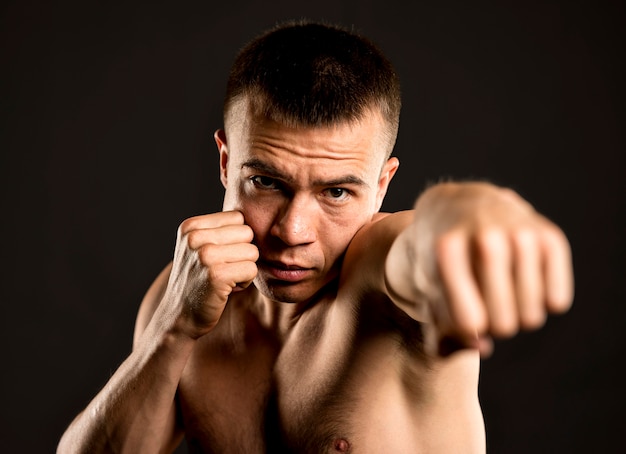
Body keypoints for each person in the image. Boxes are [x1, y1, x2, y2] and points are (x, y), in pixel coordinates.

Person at [57, 20, 573, 453]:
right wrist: (169, 332)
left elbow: (421, 244)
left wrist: (475, 221)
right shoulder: (185, 300)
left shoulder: (377, 277)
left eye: (337, 193)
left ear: (381, 185)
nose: (292, 232)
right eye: (266, 183)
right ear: (224, 162)